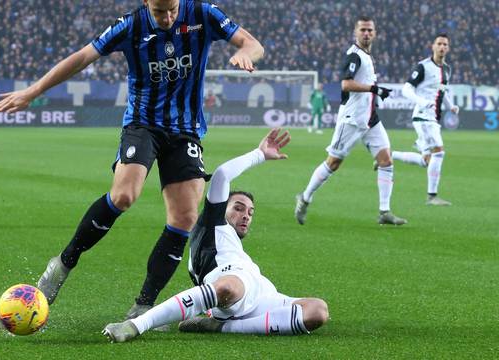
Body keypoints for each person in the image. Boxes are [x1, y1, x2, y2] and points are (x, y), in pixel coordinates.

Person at [0, 0, 264, 320]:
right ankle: (63, 263)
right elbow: (82, 57)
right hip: (143, 125)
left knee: (184, 217)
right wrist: (33, 91)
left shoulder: (203, 13)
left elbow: (252, 43)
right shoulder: (131, 25)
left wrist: (247, 52)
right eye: (160, 11)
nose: (168, 18)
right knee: (124, 195)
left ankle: (143, 305)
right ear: (146, 3)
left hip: (186, 131)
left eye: (173, 10)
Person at [102, 129, 329, 343]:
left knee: (317, 311)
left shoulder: (232, 246)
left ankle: (221, 326)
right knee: (229, 288)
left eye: (250, 212)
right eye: (238, 208)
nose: (246, 215)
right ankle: (135, 325)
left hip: (261, 292)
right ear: (220, 208)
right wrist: (259, 154)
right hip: (231, 289)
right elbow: (221, 175)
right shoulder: (213, 224)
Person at [294, 16, 407, 226]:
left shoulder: (367, 56)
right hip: (352, 119)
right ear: (356, 33)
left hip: (370, 119)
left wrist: (374, 95)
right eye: (363, 30)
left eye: (369, 30)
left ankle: (384, 211)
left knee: (386, 160)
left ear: (375, 33)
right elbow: (346, 84)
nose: (366, 33)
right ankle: (305, 197)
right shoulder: (353, 56)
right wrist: (374, 89)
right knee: (333, 163)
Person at [391, 34, 458, 206]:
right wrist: (422, 102)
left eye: (445, 44)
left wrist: (451, 105)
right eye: (439, 44)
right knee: (439, 152)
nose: (442, 47)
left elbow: (442, 90)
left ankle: (389, 156)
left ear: (448, 48)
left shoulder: (447, 69)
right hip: (423, 116)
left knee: (426, 161)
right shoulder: (423, 66)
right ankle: (432, 196)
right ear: (433, 46)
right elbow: (406, 89)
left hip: (434, 118)